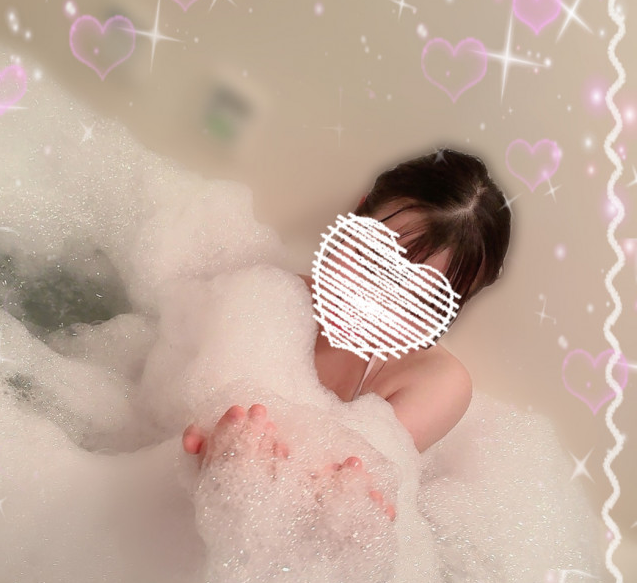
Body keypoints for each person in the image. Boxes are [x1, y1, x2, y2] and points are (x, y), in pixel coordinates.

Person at [182, 147, 512, 521]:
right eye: (373, 259)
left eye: (420, 301)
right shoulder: (260, 298)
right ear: (356, 216)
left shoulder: (435, 382)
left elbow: (335, 496)